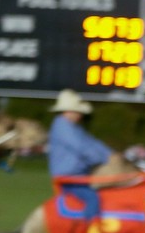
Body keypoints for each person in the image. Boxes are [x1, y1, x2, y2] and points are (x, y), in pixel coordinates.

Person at [46, 89, 115, 218]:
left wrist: (112, 154)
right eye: (78, 111)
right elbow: (82, 148)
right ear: (68, 111)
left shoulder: (73, 127)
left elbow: (93, 143)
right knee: (92, 199)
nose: (80, 115)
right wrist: (104, 159)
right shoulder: (62, 127)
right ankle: (88, 231)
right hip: (69, 177)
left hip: (79, 175)